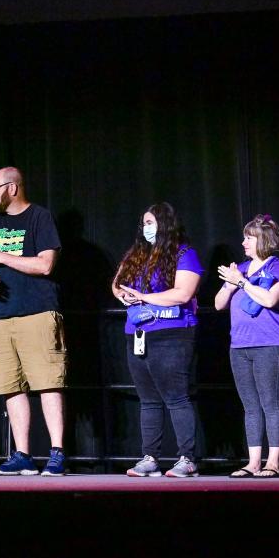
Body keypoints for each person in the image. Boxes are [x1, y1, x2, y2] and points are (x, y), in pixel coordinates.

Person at [0, 167, 68, 476]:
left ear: (12, 188)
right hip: (2, 318)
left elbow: (45, 264)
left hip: (38, 313)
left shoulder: (39, 218)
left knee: (47, 383)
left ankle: (57, 453)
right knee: (10, 386)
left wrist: (2, 257)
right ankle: (22, 454)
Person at [112, 202, 203, 478]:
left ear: (164, 224)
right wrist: (123, 295)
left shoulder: (184, 253)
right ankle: (150, 457)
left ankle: (187, 459)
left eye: (151, 223)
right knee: (148, 400)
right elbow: (117, 284)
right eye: (144, 224)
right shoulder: (137, 254)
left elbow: (183, 293)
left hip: (172, 334)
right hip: (138, 333)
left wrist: (143, 297)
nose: (146, 228)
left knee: (176, 397)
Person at [214, 215, 279, 478]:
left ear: (263, 240)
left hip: (271, 345)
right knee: (250, 406)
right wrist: (230, 283)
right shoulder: (241, 269)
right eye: (245, 237)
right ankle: (253, 462)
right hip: (240, 346)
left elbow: (270, 300)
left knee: (271, 403)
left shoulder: (277, 268)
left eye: (249, 237)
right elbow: (218, 304)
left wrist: (242, 282)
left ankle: (273, 463)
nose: (243, 242)